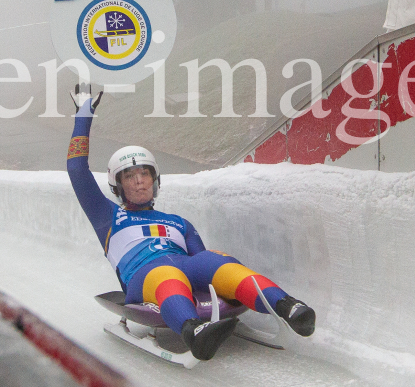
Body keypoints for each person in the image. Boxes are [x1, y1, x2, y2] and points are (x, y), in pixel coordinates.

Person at [67, 93, 315, 361]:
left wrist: (216, 271)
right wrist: (84, 113)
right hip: (143, 274)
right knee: (165, 275)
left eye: (144, 175)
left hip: (185, 267)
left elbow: (200, 264)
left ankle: (288, 306)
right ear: (118, 186)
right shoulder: (108, 216)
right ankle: (193, 331)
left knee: (216, 262)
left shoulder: (178, 222)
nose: (139, 182)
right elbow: (77, 170)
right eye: (129, 177)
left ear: (155, 180)